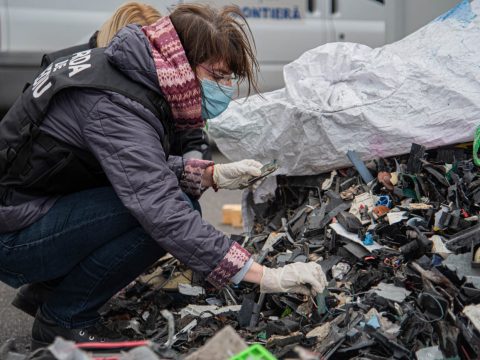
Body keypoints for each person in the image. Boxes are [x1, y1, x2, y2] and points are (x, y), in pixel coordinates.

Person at [0, 3, 327, 348]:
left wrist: (210, 174)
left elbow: (126, 165)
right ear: (183, 60)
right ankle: (64, 317)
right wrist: (265, 276)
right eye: (218, 75)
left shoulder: (127, 72)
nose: (227, 86)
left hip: (32, 213)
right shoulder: (115, 103)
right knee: (167, 215)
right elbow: (159, 208)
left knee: (173, 202)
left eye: (231, 77)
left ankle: (49, 293)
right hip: (14, 238)